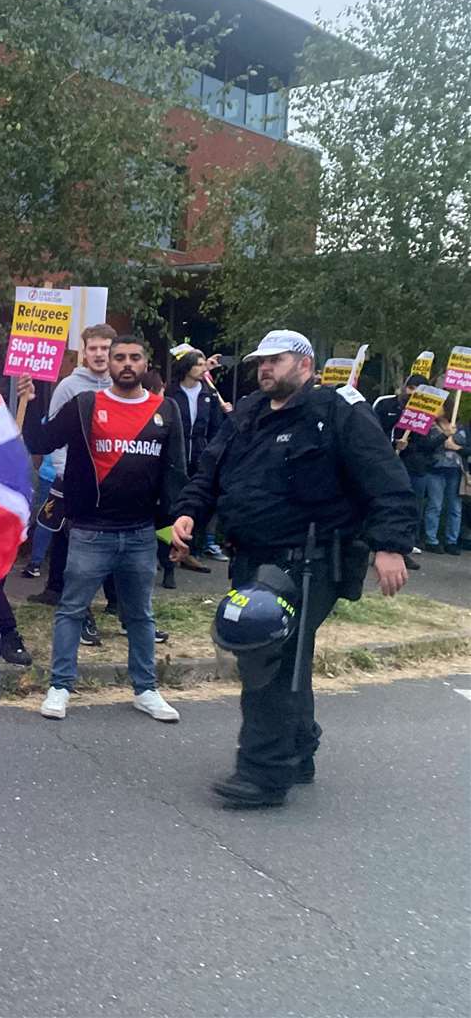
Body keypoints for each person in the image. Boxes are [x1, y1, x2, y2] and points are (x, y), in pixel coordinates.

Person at [170, 330, 415, 808]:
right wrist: (190, 512)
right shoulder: (246, 414)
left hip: (309, 560)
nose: (264, 369)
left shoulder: (336, 413)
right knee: (282, 655)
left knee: (268, 657)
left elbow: (386, 480)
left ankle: (262, 774)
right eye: (260, 362)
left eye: (275, 361)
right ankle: (298, 747)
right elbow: (210, 472)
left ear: (304, 364)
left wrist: (390, 546)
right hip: (251, 558)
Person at [18, 335, 187, 723]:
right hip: (90, 531)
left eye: (134, 357)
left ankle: (146, 690)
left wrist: (173, 531)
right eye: (119, 358)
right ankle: (60, 686)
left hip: (142, 533)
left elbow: (174, 476)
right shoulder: (85, 404)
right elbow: (41, 440)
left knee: (140, 615)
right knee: (71, 609)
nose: (126, 363)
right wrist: (29, 399)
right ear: (107, 364)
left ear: (146, 364)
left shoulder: (167, 410)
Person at [28, 324, 115, 650]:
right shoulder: (69, 386)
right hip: (74, 482)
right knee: (78, 550)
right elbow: (54, 435)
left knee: (103, 550)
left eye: (105, 348)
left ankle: (114, 609)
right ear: (84, 351)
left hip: (109, 487)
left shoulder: (119, 386)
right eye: (93, 348)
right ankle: (81, 616)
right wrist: (65, 473)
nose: (99, 353)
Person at [166, 349, 231, 565]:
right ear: (187, 367)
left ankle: (193, 550)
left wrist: (212, 452)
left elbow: (216, 426)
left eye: (204, 364)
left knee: (199, 502)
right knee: (173, 500)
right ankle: (168, 549)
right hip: (177, 451)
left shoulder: (208, 394)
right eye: (198, 364)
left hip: (200, 452)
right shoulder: (172, 392)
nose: (203, 368)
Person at [422, 401, 468, 555]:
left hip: (455, 469)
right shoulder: (430, 425)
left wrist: (454, 441)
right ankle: (431, 539)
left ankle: (452, 540)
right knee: (435, 505)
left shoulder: (459, 427)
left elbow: (465, 443)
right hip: (435, 468)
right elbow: (428, 444)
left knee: (455, 506)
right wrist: (444, 436)